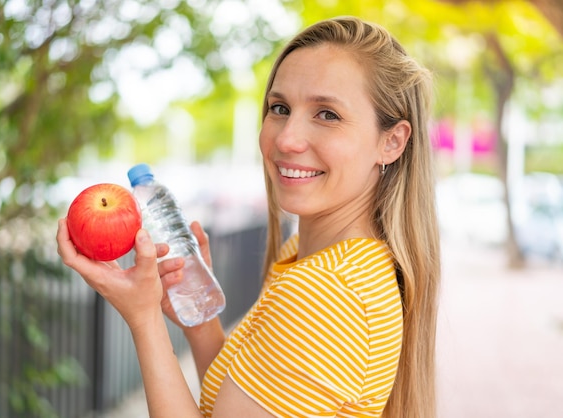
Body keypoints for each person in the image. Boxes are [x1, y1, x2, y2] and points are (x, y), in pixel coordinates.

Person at [57, 15, 440, 418]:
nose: (286, 138)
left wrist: (144, 319)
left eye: (327, 114)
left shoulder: (331, 292)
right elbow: (239, 401)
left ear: (392, 142)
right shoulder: (318, 256)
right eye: (279, 108)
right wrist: (198, 320)